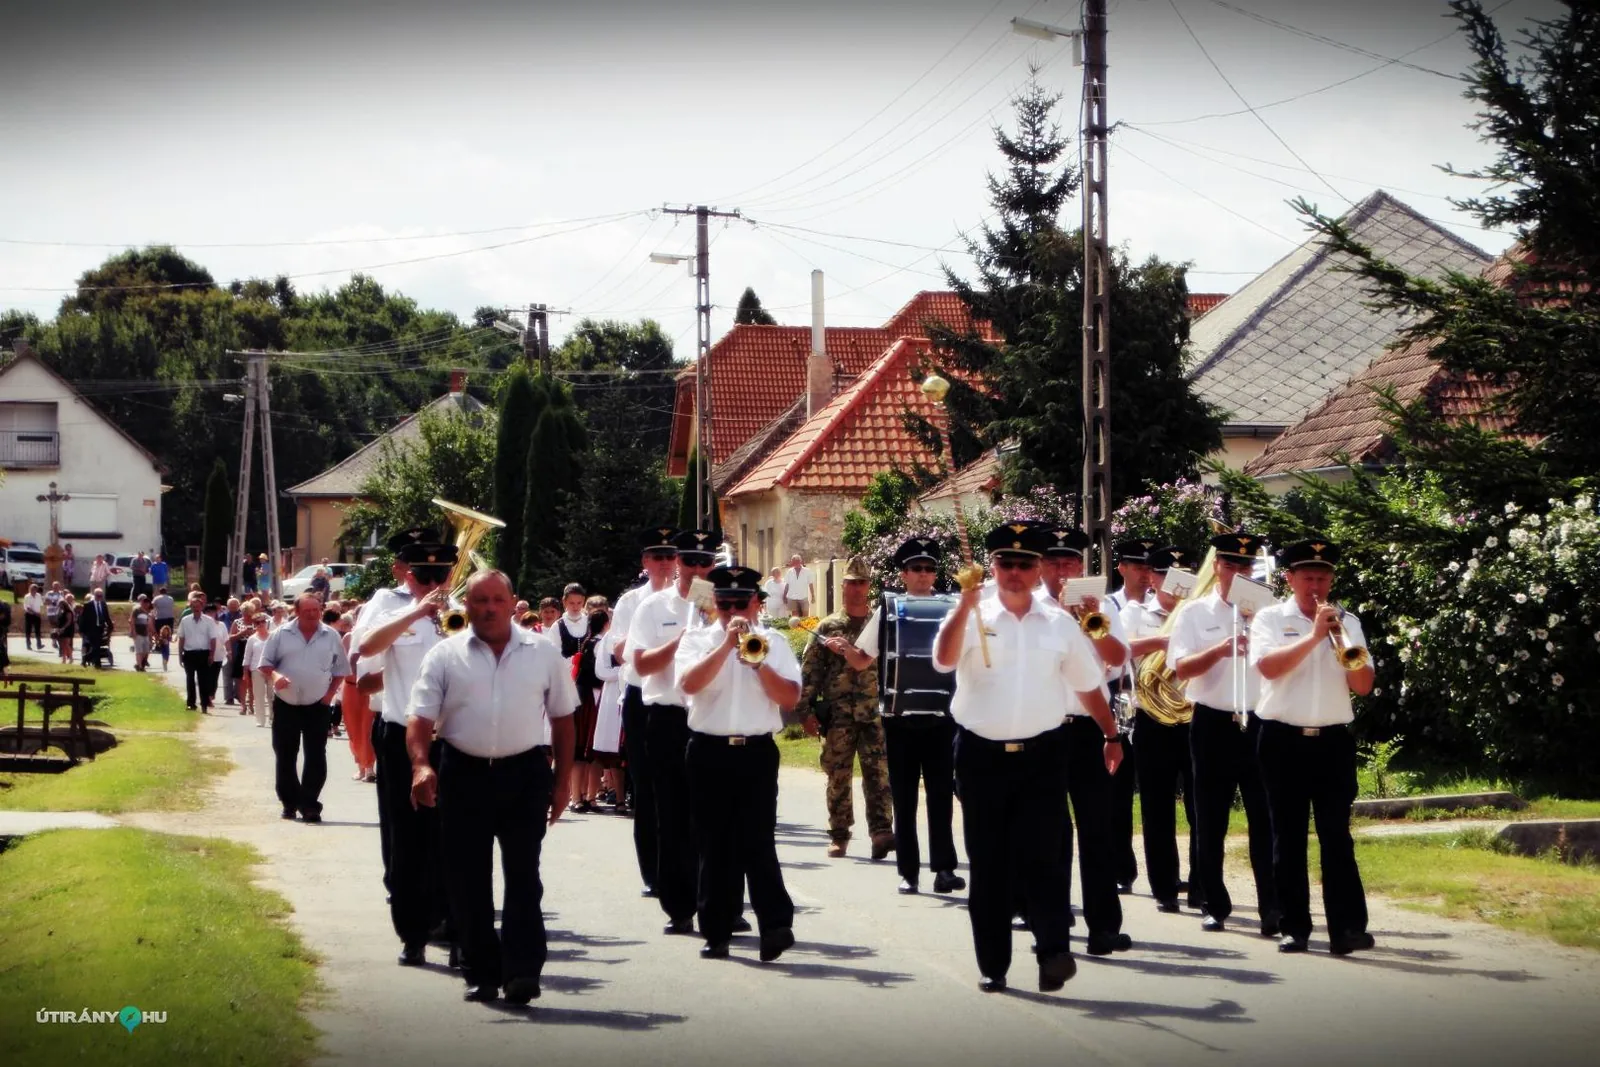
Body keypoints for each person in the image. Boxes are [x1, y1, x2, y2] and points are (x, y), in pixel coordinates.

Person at [932, 523, 1122, 993]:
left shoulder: (1059, 623)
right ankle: (993, 963)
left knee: (1045, 858)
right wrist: (963, 608)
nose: (1014, 572)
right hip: (981, 755)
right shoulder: (975, 614)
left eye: (1023, 564)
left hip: (1042, 754)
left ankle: (1054, 951)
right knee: (990, 862)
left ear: (1039, 571)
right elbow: (942, 659)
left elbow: (1086, 683)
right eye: (1005, 563)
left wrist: (1111, 733)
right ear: (991, 567)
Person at [407, 569, 578, 1005]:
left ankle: (522, 971)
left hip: (524, 774)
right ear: (467, 606)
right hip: (462, 772)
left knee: (524, 874)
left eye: (496, 600)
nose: (487, 608)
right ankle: (481, 972)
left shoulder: (543, 652)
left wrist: (562, 783)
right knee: (467, 878)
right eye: (479, 600)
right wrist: (422, 766)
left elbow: (562, 718)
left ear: (511, 601)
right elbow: (420, 719)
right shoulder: (445, 656)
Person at [1253, 538, 1376, 955]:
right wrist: (1312, 637)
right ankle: (1294, 927)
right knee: (1287, 836)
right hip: (1282, 739)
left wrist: (1338, 638)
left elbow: (1363, 685)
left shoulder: (1348, 622)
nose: (1316, 585)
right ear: (1289, 578)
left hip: (1333, 741)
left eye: (1323, 577)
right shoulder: (1270, 619)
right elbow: (1269, 668)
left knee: (1337, 836)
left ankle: (1347, 929)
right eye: (1307, 577)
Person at [676, 565, 801, 962]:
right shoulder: (697, 640)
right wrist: (725, 647)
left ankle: (776, 925)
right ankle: (716, 930)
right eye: (725, 604)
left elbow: (790, 698)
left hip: (756, 751)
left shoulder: (774, 642)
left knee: (758, 839)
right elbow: (689, 685)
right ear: (715, 604)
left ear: (755, 603)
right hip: (708, 750)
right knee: (714, 843)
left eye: (740, 603)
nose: (733, 612)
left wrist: (759, 664)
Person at [1170, 532, 1279, 937]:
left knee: (1265, 820)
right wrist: (1219, 649)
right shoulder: (1195, 613)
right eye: (1230, 565)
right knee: (1210, 819)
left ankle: (1273, 906)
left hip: (1260, 722)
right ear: (1216, 566)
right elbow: (1180, 668)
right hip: (1213, 722)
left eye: (1245, 567)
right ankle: (1214, 903)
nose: (1238, 574)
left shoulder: (1270, 611)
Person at [358, 540, 459, 969]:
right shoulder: (390, 606)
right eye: (424, 576)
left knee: (454, 840)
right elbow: (364, 650)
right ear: (409, 575)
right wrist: (417, 611)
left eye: (441, 576)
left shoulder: (466, 608)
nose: (433, 583)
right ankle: (412, 933)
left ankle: (455, 928)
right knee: (407, 840)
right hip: (403, 734)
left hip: (453, 740)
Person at [855, 537, 964, 895]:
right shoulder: (889, 608)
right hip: (899, 718)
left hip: (941, 716)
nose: (924, 574)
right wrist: (844, 650)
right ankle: (909, 871)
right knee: (904, 797)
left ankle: (945, 869)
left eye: (930, 568)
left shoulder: (953, 607)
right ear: (903, 573)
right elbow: (863, 657)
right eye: (917, 569)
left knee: (940, 796)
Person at [628, 528, 720, 934]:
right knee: (671, 814)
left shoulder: (720, 604)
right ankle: (679, 905)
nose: (697, 569)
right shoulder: (652, 606)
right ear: (677, 562)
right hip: (666, 717)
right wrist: (679, 643)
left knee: (714, 816)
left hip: (708, 718)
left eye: (705, 562)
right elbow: (639, 666)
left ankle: (719, 902)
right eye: (690, 562)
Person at [1120, 546, 1201, 913]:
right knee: (1157, 808)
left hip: (1195, 717)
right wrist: (1163, 640)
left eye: (1184, 578)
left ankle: (1201, 883)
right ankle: (1164, 886)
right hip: (1152, 719)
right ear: (1153, 578)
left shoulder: (1197, 614)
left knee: (1202, 807)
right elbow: (1119, 651)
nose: (1176, 584)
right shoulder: (1136, 612)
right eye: (1168, 576)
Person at [798, 555, 894, 861]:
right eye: (851, 583)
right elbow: (810, 671)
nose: (857, 589)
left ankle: (881, 833)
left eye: (862, 583)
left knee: (878, 775)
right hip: (839, 714)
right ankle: (839, 835)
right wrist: (806, 710)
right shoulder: (828, 626)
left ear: (869, 587)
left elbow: (891, 668)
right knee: (838, 775)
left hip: (873, 713)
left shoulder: (879, 624)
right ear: (843, 587)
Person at [612, 527, 680, 894]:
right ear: (645, 562)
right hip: (641, 697)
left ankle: (687, 868)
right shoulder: (631, 603)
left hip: (683, 698)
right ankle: (653, 871)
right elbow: (621, 651)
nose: (666, 564)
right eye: (658, 557)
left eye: (671, 556)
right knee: (647, 785)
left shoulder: (694, 598)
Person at [259, 593, 351, 823]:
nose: (312, 614)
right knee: (285, 753)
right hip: (286, 703)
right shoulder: (280, 634)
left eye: (316, 610)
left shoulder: (330, 636)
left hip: (318, 704)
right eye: (307, 610)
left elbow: (340, 669)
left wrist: (329, 695)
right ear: (297, 612)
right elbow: (265, 664)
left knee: (316, 755)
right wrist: (277, 676)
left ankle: (310, 805)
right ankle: (289, 802)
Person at [244, 616, 271, 725]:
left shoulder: (273, 636)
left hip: (271, 669)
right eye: (258, 622)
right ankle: (260, 720)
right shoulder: (252, 639)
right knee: (258, 694)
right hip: (256, 669)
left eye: (263, 622)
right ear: (255, 625)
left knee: (272, 695)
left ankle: (273, 718)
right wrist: (245, 672)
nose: (261, 624)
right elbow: (247, 656)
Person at [554, 583, 589, 658]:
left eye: (579, 603)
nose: (575, 607)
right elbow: (553, 654)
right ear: (564, 601)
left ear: (583, 601)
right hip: (565, 668)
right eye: (571, 603)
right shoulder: (557, 626)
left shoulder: (590, 622)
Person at [22, 584, 45, 650]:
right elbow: (28, 608)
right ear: (29, 589)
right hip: (29, 615)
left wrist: (42, 613)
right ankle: (28, 645)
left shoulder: (39, 596)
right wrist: (35, 613)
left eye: (35, 589)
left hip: (37, 615)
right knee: (28, 630)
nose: (33, 590)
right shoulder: (27, 596)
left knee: (38, 630)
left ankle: (39, 645)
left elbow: (41, 604)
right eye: (32, 589)